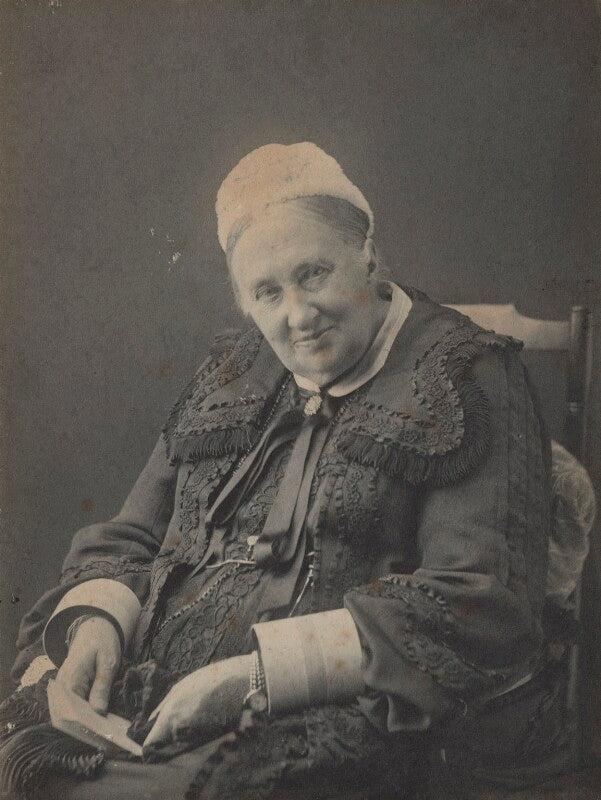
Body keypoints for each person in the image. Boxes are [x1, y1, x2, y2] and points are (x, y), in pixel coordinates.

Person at [3, 143, 558, 800]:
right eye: (266, 292)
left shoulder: (467, 376)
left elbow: (481, 600)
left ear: (367, 254)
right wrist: (98, 625)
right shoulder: (236, 371)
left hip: (340, 719)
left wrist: (258, 676)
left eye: (313, 274)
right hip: (151, 695)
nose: (297, 316)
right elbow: (134, 533)